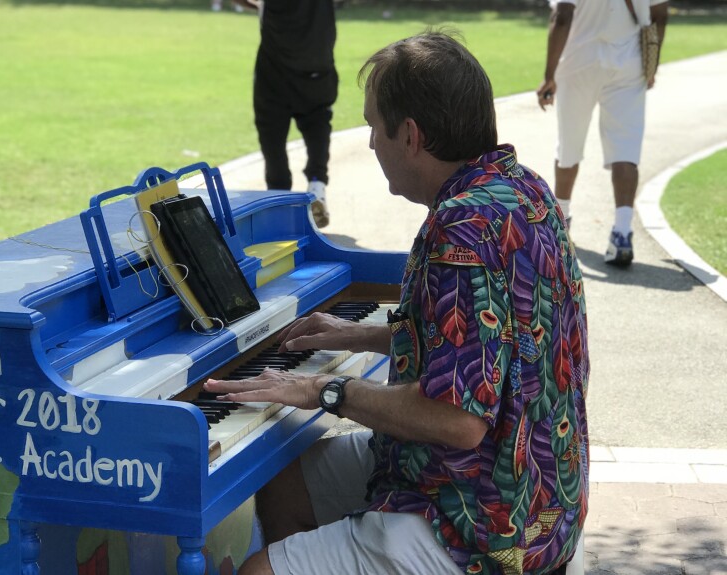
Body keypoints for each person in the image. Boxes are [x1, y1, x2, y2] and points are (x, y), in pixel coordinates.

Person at [205, 30, 590, 575]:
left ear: (410, 135)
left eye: (371, 126)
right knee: (284, 477)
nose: (368, 143)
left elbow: (458, 421)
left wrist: (327, 389)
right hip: (539, 490)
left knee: (255, 572)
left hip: (484, 522)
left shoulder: (462, 232)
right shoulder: (521, 192)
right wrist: (361, 334)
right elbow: (494, 342)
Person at [537, 0, 669, 266]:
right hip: (629, 63)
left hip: (578, 62)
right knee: (626, 149)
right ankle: (622, 232)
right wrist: (652, 65)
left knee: (569, 145)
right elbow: (660, 14)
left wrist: (548, 75)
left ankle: (561, 224)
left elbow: (562, 16)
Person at [234, 0, 338, 228]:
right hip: (317, 68)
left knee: (272, 135)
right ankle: (316, 186)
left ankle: (279, 200)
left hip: (275, 72)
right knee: (318, 126)